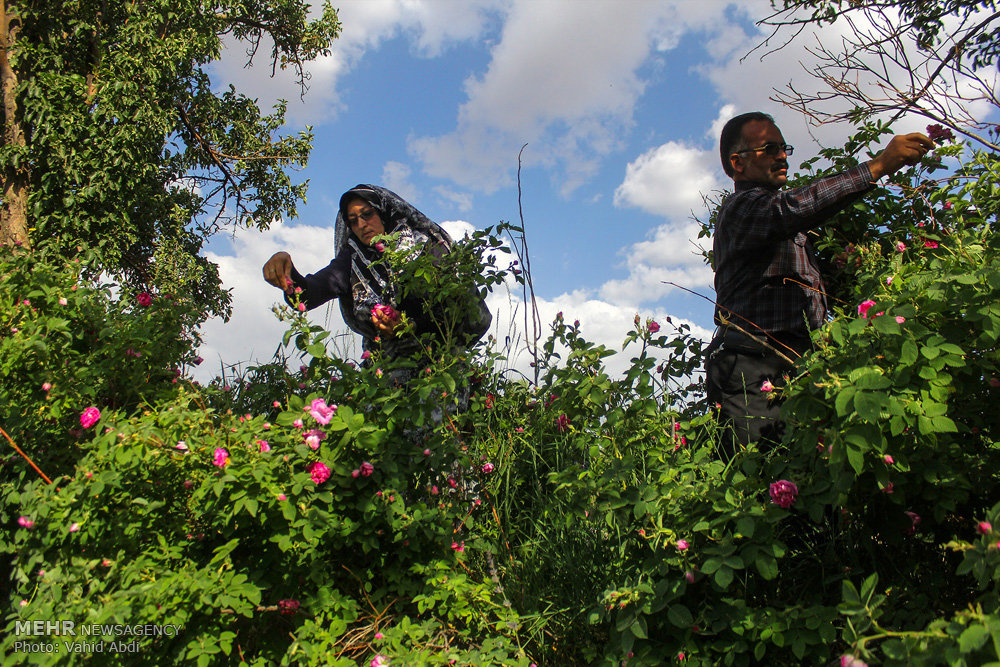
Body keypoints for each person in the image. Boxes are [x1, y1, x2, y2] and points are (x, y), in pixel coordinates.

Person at [706, 112, 933, 457]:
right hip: (751, 368)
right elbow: (793, 207)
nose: (782, 156)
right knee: (761, 486)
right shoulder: (742, 209)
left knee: (803, 484)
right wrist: (878, 166)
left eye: (784, 148)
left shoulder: (785, 227)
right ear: (737, 163)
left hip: (794, 368)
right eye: (769, 149)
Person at [262, 184, 491, 370]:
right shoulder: (353, 259)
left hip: (438, 366)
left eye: (367, 214)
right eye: (353, 220)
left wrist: (409, 324)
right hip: (385, 370)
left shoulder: (425, 247)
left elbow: (453, 307)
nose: (361, 225)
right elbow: (311, 293)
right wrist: (287, 274)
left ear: (382, 211)